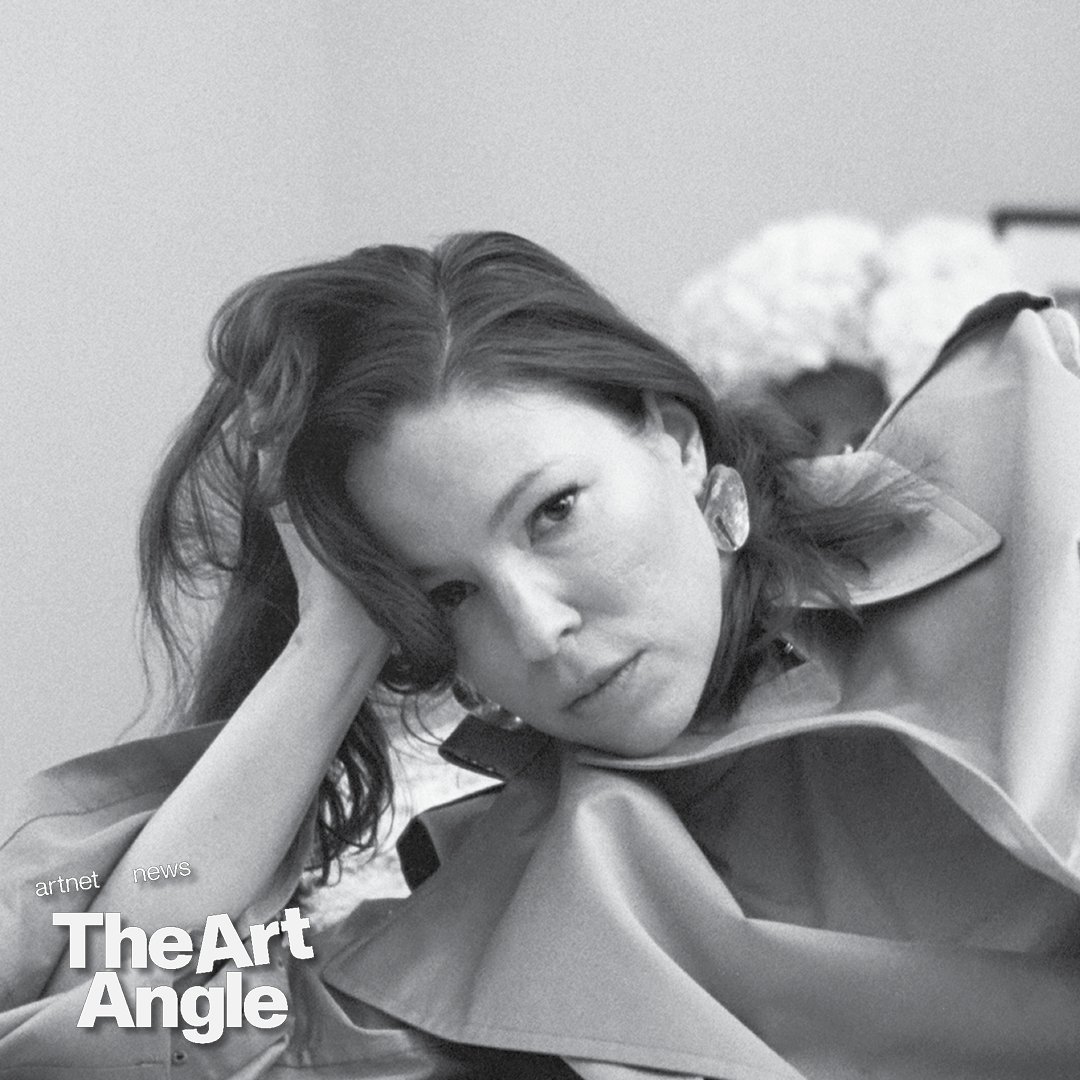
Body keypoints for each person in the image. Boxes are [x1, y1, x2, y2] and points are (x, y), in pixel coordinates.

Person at [2, 231, 1078, 1079]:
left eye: (555, 511)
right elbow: (122, 1014)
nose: (536, 628)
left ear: (676, 438)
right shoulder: (520, 921)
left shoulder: (1034, 443)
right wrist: (328, 645)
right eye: (450, 594)